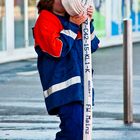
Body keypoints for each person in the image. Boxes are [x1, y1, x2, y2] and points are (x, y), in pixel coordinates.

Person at [33, 0, 100, 139]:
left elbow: (93, 45)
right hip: (64, 90)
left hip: (82, 89)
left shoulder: (73, 19)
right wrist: (73, 26)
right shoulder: (45, 19)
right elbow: (57, 50)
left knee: (81, 132)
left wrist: (87, 22)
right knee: (74, 131)